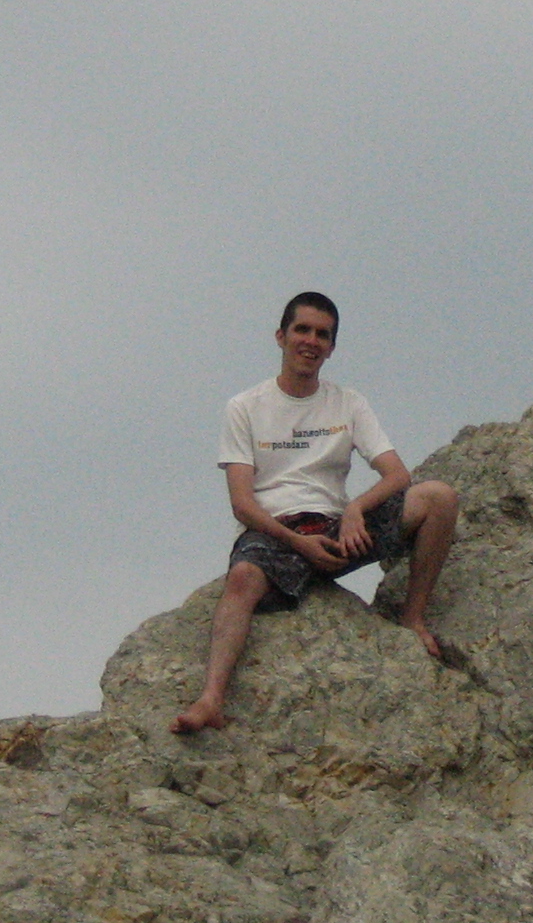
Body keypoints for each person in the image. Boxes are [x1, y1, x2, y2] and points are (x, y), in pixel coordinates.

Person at [172, 293, 460, 735]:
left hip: (337, 526)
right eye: (302, 330)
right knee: (242, 578)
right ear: (281, 336)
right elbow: (242, 503)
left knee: (438, 497)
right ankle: (211, 699)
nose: (311, 341)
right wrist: (295, 542)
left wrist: (355, 510)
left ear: (332, 347)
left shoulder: (348, 403)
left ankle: (413, 617)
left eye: (322, 334)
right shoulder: (245, 407)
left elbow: (396, 474)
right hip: (277, 531)